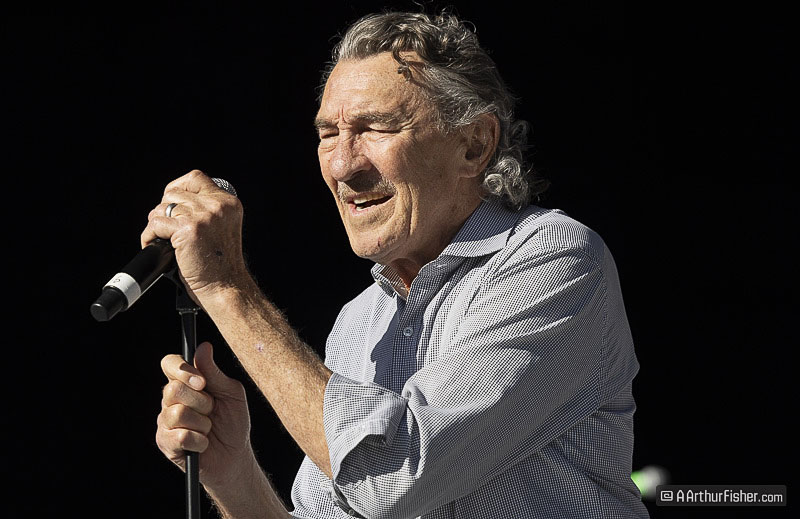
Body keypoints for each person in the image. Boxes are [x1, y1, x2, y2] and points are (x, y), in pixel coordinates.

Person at [148, 10, 649, 519]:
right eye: (328, 134)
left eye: (377, 128)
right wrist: (234, 478)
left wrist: (228, 289)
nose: (342, 165)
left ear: (474, 144)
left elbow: (393, 479)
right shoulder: (358, 322)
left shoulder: (554, 258)